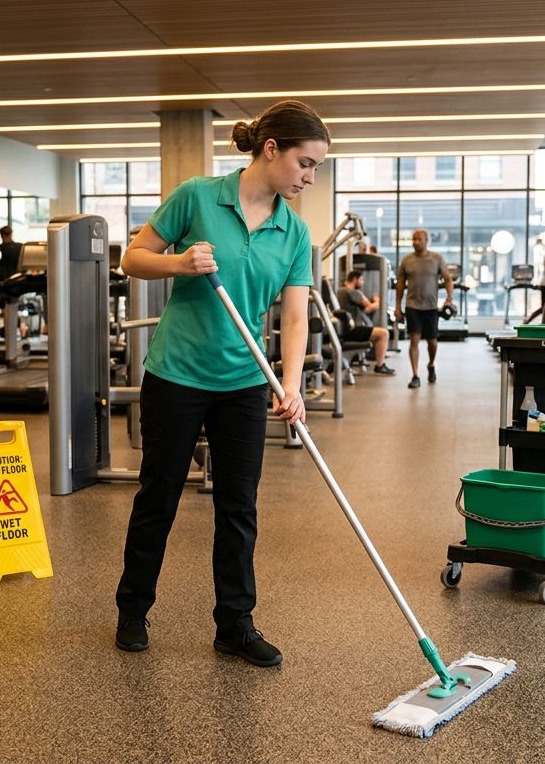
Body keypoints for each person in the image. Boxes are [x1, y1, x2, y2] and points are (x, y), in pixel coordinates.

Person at [114, 100, 327, 668]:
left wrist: (289, 384)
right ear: (271, 148)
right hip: (177, 375)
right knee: (158, 498)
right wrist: (181, 263)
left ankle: (234, 625)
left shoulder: (294, 232)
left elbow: (296, 316)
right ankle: (133, 611)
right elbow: (133, 259)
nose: (309, 178)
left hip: (242, 382)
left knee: (239, 507)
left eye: (317, 170)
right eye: (305, 164)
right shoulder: (198, 196)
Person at [395, 228, 453, 388]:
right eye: (414, 239)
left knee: (432, 342)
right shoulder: (406, 260)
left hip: (431, 307)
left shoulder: (436, 258)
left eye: (419, 239)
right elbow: (400, 285)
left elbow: (447, 279)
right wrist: (398, 307)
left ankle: (431, 365)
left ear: (427, 240)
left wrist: (449, 298)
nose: (416, 242)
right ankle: (415, 375)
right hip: (412, 306)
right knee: (414, 340)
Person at [339, 270, 395, 375]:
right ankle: (380, 365)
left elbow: (365, 309)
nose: (363, 282)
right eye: (361, 279)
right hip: (352, 329)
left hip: (345, 328)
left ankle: (370, 359)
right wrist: (377, 300)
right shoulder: (351, 291)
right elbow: (370, 306)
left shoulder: (340, 291)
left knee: (376, 331)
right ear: (355, 279)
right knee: (384, 333)